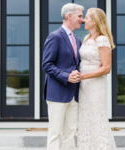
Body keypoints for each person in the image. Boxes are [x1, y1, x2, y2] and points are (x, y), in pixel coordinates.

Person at [42, 3, 84, 150]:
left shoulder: (78, 40)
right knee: (54, 133)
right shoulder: (54, 37)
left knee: (70, 133)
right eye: (79, 16)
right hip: (57, 94)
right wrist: (66, 76)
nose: (82, 19)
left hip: (74, 94)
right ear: (69, 16)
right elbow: (47, 65)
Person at [77, 8, 117, 149]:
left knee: (96, 118)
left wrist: (83, 76)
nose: (83, 20)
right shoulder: (86, 38)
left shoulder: (102, 39)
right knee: (85, 118)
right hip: (84, 86)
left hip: (95, 85)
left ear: (94, 21)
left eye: (86, 18)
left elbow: (106, 68)